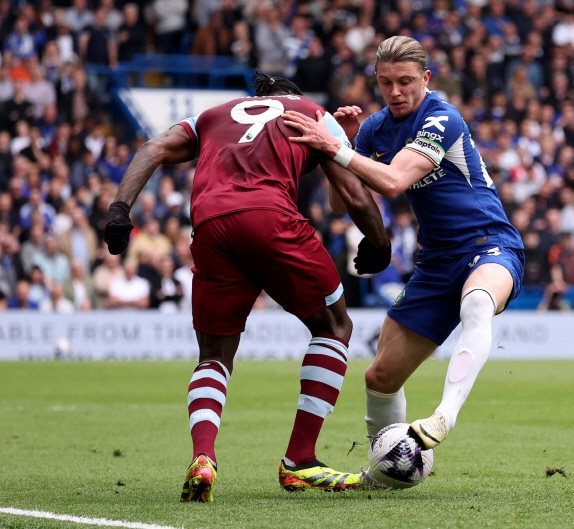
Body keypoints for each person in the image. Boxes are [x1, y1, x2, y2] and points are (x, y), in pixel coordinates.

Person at [103, 72, 391, 500]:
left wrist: (119, 209)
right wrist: (379, 242)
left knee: (214, 353)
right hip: (269, 217)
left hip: (209, 225)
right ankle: (300, 460)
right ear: (292, 95)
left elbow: (153, 147)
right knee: (334, 325)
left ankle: (204, 456)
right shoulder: (310, 112)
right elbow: (350, 187)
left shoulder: (212, 115)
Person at [282, 36, 524, 477]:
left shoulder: (441, 117)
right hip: (435, 264)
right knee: (379, 379)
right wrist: (346, 148)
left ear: (426, 79)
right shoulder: (375, 127)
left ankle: (443, 417)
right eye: (386, 82)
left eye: (406, 81)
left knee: (476, 303)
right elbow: (341, 205)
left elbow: (393, 182)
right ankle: (386, 472)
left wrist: (336, 149)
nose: (396, 92)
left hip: (489, 243)